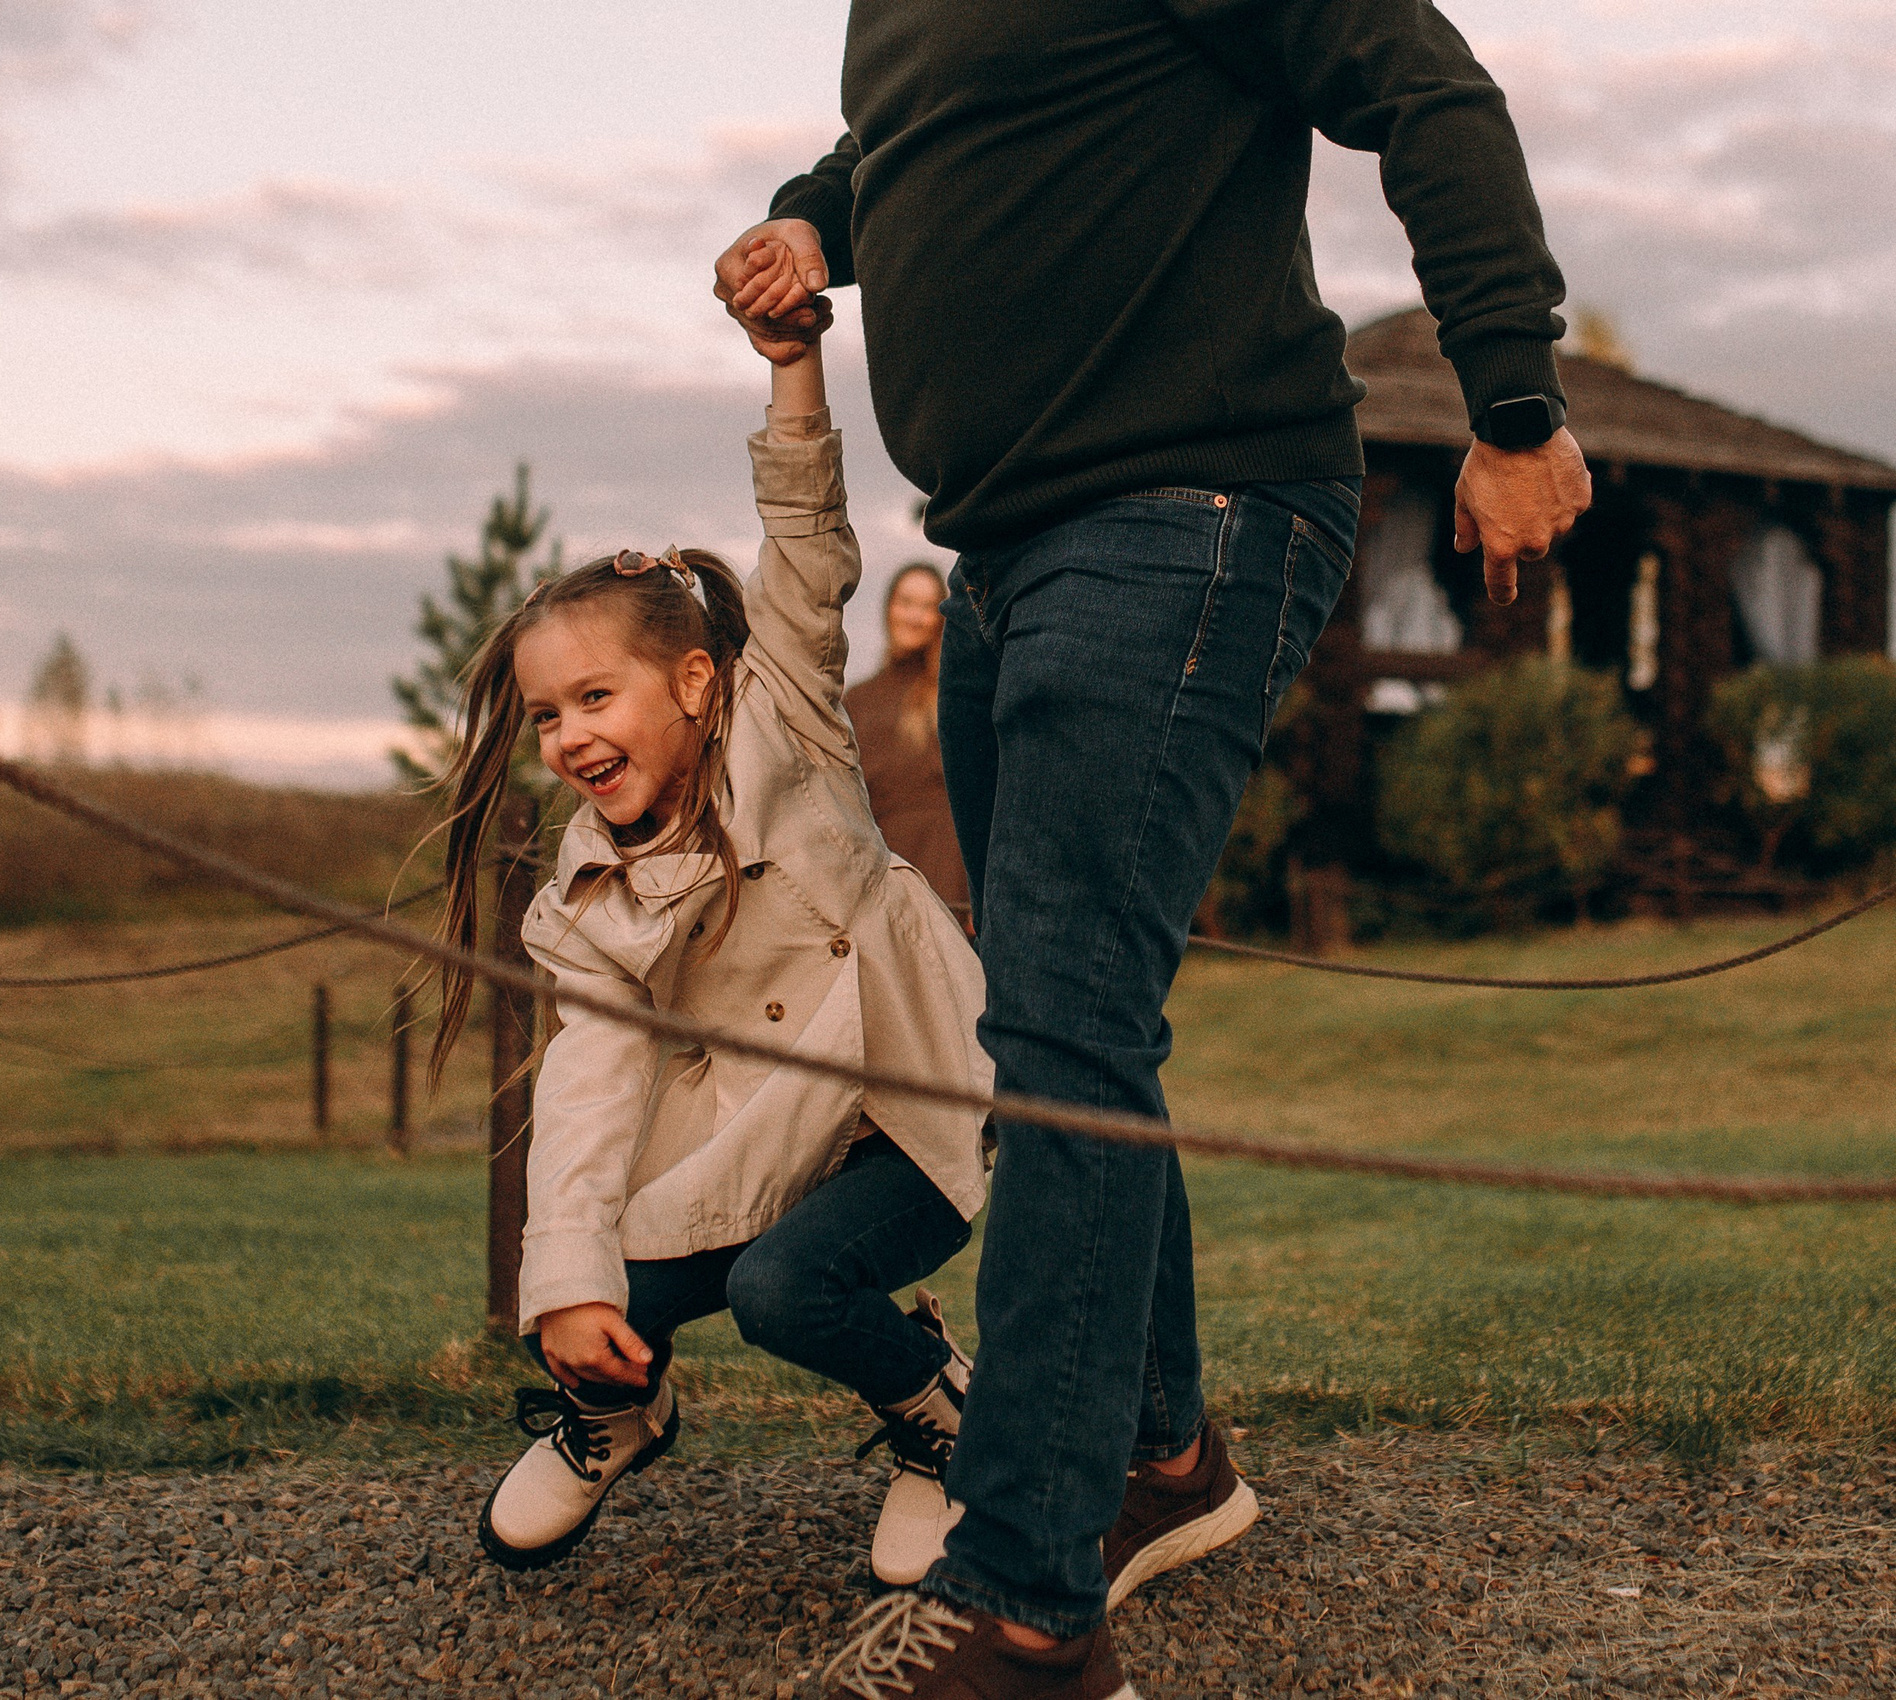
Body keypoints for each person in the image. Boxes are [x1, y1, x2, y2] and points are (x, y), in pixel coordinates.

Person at [712, 2, 1594, 1695]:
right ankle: (1161, 1455)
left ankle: (1028, 1610)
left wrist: (1510, 399)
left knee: (1061, 1041)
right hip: (1006, 552)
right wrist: (811, 221)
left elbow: (1426, 84)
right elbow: (899, 155)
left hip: (1188, 512)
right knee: (1058, 1017)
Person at [428, 261, 993, 1588]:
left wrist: (792, 362)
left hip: (906, 1108)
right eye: (548, 715)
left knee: (786, 1292)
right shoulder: (585, 899)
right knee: (561, 1269)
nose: (569, 736)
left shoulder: (790, 729)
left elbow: (805, 543)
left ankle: (936, 1425)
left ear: (695, 681)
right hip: (753, 1133)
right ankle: (617, 1409)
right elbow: (590, 1081)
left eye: (596, 698)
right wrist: (566, 1281)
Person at [845, 562, 972, 919]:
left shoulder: (955, 693)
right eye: (905, 602)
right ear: (889, 608)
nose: (914, 616)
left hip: (950, 885)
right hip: (879, 881)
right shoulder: (855, 699)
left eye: (927, 606)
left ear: (942, 616)